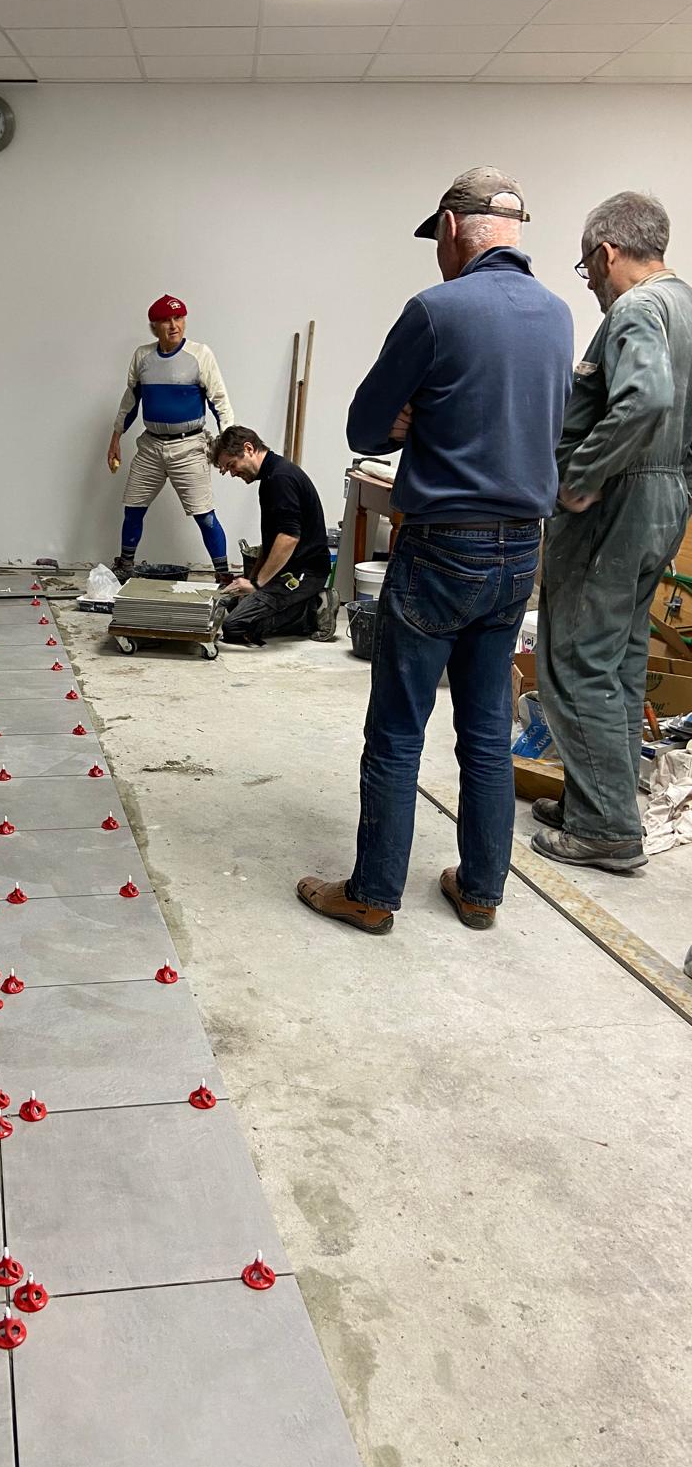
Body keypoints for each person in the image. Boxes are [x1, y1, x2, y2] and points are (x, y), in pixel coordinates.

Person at [297, 167, 573, 935]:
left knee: (396, 730)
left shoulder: (436, 310)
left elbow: (363, 426)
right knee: (485, 732)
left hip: (442, 548)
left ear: (451, 229)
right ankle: (481, 890)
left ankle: (373, 894)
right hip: (521, 552)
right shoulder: (558, 316)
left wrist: (407, 418)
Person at [533, 193, 692, 873]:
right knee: (619, 659)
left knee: (577, 658)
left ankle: (604, 830)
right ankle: (600, 802)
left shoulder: (636, 309)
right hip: (664, 499)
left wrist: (583, 476)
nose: (591, 284)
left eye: (586, 269)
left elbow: (646, 398)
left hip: (617, 501)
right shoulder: (686, 305)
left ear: (606, 253)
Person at [106, 294, 234, 584]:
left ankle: (224, 576)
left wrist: (228, 443)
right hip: (151, 445)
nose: (174, 325)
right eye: (165, 320)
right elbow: (130, 401)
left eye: (178, 318)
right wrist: (115, 437)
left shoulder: (200, 354)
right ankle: (125, 565)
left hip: (190, 446)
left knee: (205, 515)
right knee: (133, 508)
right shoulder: (142, 356)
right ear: (154, 327)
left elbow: (220, 402)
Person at [210, 426, 338, 643]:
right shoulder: (270, 479)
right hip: (285, 568)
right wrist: (251, 580)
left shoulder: (281, 479)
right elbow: (270, 543)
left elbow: (288, 538)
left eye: (231, 465)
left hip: (305, 573)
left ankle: (315, 607)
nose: (232, 473)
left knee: (235, 626)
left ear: (248, 449)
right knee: (230, 605)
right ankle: (296, 604)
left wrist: (257, 585)